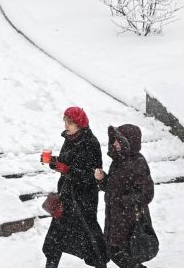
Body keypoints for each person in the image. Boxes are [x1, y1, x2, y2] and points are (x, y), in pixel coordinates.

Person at [42, 107, 109, 268]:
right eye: (65, 121)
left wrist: (67, 170)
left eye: (70, 122)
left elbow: (93, 175)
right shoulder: (69, 138)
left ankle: (100, 264)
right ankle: (50, 265)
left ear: (79, 124)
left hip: (83, 198)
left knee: (89, 234)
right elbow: (67, 161)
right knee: (55, 236)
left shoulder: (90, 143)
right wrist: (54, 162)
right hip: (66, 196)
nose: (66, 125)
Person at [94, 125, 156, 268]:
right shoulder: (118, 161)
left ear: (128, 141)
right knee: (115, 251)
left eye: (118, 140)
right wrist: (102, 179)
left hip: (128, 220)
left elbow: (147, 194)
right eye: (114, 140)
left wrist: (122, 201)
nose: (114, 143)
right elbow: (113, 188)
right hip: (115, 218)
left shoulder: (137, 162)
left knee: (119, 252)